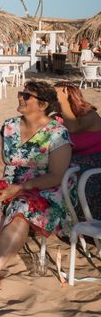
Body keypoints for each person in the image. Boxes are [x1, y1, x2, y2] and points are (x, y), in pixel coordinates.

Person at [0, 81, 71, 290]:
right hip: (8, 182)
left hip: (41, 187)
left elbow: (57, 175)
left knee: (22, 209)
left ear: (43, 105)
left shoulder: (57, 133)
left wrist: (21, 188)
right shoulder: (9, 125)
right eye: (21, 93)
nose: (20, 97)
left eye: (27, 96)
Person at [55, 81, 101, 219]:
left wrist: (63, 102)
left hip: (95, 165)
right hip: (73, 165)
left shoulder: (89, 115)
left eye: (55, 95)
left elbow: (73, 128)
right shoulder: (58, 117)